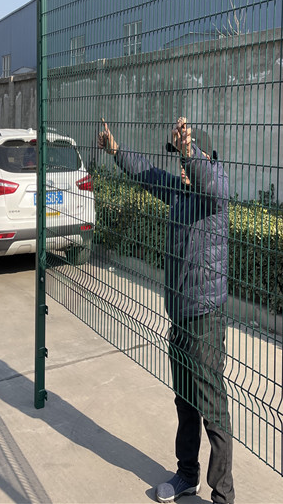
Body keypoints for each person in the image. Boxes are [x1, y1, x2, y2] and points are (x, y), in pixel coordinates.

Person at [98, 117, 234, 504]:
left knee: (212, 408)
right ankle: (187, 474)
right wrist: (116, 152)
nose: (180, 164)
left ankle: (223, 495)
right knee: (184, 400)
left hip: (205, 317)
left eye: (186, 155)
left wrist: (190, 153)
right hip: (179, 314)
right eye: (178, 157)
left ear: (203, 155)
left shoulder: (215, 190)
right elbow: (147, 173)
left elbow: (212, 184)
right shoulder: (178, 190)